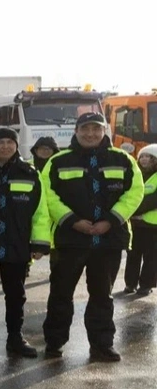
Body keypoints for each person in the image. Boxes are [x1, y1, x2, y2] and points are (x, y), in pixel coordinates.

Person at [41, 113, 144, 361]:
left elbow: (134, 193)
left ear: (104, 131)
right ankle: (54, 342)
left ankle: (101, 345)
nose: (90, 134)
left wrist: (110, 220)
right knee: (60, 294)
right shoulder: (58, 161)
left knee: (102, 296)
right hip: (70, 240)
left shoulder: (123, 159)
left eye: (96, 129)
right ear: (76, 131)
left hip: (109, 241)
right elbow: (47, 195)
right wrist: (72, 221)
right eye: (85, 129)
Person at [0, 128, 51, 357]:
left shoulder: (29, 173)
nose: (5, 146)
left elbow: (40, 212)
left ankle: (15, 338)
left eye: (10, 142)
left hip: (16, 242)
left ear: (17, 145)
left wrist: (39, 243)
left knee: (15, 294)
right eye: (0, 142)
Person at [124, 145, 157, 297]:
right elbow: (127, 195)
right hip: (135, 224)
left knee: (151, 258)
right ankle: (130, 284)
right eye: (141, 156)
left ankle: (145, 285)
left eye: (148, 157)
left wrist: (132, 209)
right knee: (133, 255)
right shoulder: (134, 174)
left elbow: (153, 200)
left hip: (153, 226)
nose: (144, 159)